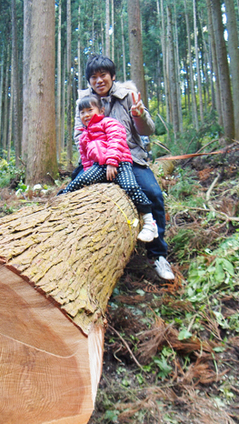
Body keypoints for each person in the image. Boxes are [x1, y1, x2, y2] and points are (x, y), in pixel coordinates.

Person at [73, 54, 174, 280]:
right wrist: (96, 155)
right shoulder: (84, 102)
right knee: (73, 190)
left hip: (130, 157)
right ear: (89, 81)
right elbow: (78, 135)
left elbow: (148, 130)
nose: (99, 81)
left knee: (154, 194)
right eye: (94, 77)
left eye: (103, 76)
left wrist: (139, 116)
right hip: (97, 160)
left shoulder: (128, 96)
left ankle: (158, 255)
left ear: (112, 76)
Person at [62, 95, 158, 243]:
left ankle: (149, 221)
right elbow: (86, 158)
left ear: (101, 111)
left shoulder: (110, 123)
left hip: (120, 163)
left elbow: (116, 141)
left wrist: (112, 162)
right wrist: (89, 173)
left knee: (131, 187)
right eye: (82, 112)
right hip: (99, 166)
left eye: (90, 110)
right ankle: (61, 200)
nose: (86, 115)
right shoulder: (84, 135)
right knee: (80, 180)